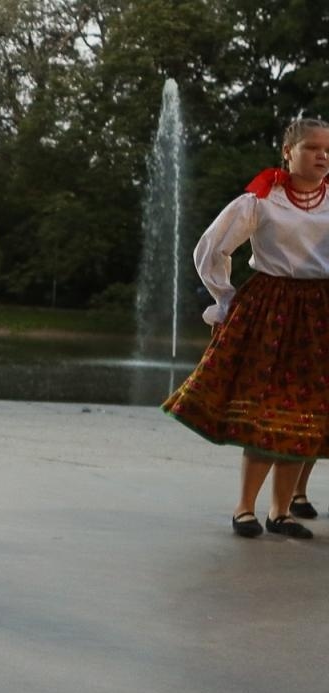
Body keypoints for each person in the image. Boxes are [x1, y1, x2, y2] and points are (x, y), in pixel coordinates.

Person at [164, 116, 329, 539]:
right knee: (265, 410)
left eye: (327, 149)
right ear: (288, 152)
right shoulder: (262, 199)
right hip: (271, 307)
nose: (322, 155)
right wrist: (226, 298)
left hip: (320, 311)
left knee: (303, 415)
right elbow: (212, 247)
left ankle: (281, 512)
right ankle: (244, 508)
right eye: (312, 147)